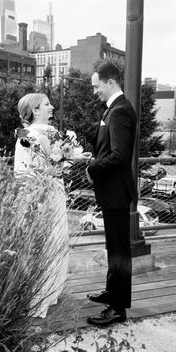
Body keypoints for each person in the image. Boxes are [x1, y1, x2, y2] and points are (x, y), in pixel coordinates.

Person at [86, 61, 138, 327]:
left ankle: (117, 309)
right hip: (113, 193)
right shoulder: (114, 110)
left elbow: (119, 156)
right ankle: (111, 293)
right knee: (114, 249)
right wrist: (93, 155)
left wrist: (92, 167)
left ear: (110, 83)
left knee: (119, 251)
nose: (95, 92)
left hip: (117, 192)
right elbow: (109, 149)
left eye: (97, 87)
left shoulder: (119, 111)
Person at [14, 93, 68, 318]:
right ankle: (37, 295)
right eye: (47, 104)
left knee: (57, 241)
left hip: (56, 194)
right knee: (41, 245)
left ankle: (51, 289)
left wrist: (69, 157)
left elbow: (60, 161)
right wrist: (48, 172)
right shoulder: (25, 136)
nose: (52, 106)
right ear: (35, 110)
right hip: (38, 199)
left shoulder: (54, 133)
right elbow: (20, 173)